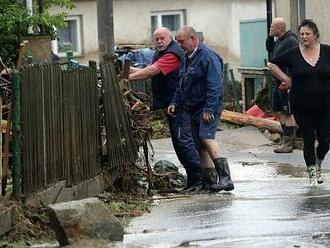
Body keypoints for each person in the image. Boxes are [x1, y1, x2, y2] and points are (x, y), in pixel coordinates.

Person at [129, 27, 203, 191]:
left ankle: (199, 180)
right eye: (156, 39)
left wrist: (127, 77)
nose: (159, 41)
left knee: (184, 142)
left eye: (162, 38)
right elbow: (146, 69)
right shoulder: (161, 53)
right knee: (179, 143)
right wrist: (124, 69)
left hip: (180, 105)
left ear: (171, 38)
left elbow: (151, 71)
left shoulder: (172, 54)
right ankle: (193, 181)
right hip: (172, 105)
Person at [168, 26, 234, 192]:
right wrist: (175, 101)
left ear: (192, 38)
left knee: (206, 137)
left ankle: (226, 178)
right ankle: (208, 182)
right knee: (200, 145)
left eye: (181, 41)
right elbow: (181, 83)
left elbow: (215, 85)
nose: (179, 45)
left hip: (207, 106)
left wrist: (210, 109)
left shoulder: (208, 56)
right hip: (192, 107)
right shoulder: (187, 57)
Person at [267, 19, 329, 186]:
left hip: (325, 105)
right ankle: (312, 176)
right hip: (301, 105)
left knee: (325, 140)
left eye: (307, 33)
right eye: (301, 34)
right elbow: (272, 63)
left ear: (315, 35)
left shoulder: (327, 51)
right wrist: (286, 78)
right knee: (308, 138)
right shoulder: (293, 53)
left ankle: (318, 162)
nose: (304, 36)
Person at [266, 17, 299, 153]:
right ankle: (285, 137)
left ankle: (289, 143)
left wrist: (288, 80)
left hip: (286, 81)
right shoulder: (279, 39)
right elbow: (269, 48)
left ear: (280, 28)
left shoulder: (291, 40)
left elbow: (294, 60)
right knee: (278, 110)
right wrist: (269, 36)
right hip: (277, 80)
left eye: (272, 26)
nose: (271, 28)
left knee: (288, 111)